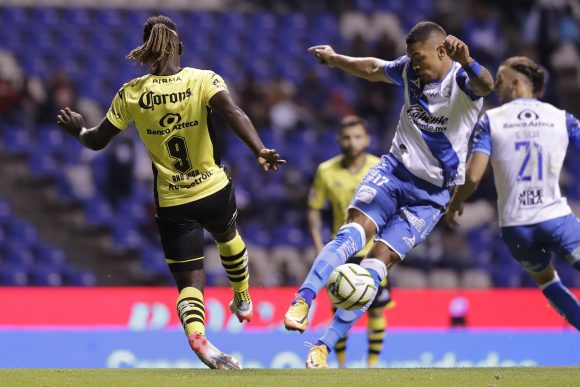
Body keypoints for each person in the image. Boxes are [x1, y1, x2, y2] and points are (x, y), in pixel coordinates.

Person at [57, 15, 285, 369]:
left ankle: (199, 339)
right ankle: (242, 297)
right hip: (212, 187)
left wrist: (78, 132)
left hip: (173, 201)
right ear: (179, 47)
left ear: (146, 53)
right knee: (229, 236)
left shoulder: (132, 92)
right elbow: (232, 111)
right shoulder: (203, 79)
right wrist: (258, 149)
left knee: (190, 282)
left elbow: (97, 141)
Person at [283, 21, 494, 368]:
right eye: (410, 56)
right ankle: (303, 300)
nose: (414, 63)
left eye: (419, 56)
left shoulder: (461, 80)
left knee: (373, 271)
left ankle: (323, 345)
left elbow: (487, 84)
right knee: (352, 232)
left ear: (442, 51)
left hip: (431, 196)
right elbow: (373, 67)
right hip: (393, 172)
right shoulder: (411, 70)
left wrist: (469, 60)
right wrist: (337, 60)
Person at [444, 56, 580, 330]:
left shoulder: (491, 121)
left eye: (500, 80)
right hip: (555, 217)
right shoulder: (561, 119)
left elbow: (472, 176)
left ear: (516, 83)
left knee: (547, 281)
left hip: (516, 227)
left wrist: (455, 203)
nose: (495, 87)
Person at [307, 115, 395, 368]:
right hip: (342, 250)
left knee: (376, 309)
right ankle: (342, 367)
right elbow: (313, 208)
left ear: (366, 139)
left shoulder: (380, 167)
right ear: (339, 140)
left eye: (357, 136)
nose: (352, 142)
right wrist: (318, 245)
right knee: (340, 308)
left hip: (374, 250)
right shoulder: (326, 170)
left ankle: (372, 366)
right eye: (347, 137)